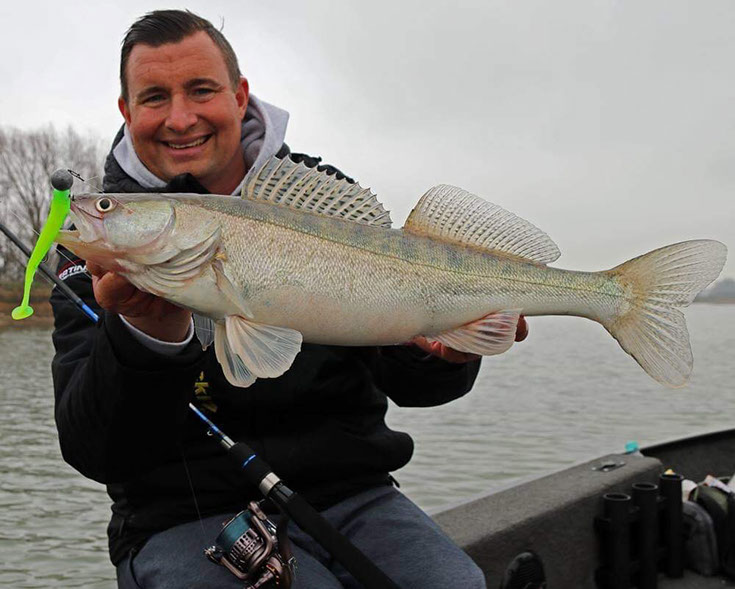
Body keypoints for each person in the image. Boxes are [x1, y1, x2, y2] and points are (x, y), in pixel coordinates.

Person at [50, 10, 528, 589]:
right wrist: (145, 339)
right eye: (155, 97)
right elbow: (95, 449)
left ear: (240, 96)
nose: (180, 118)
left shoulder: (316, 200)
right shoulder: (95, 254)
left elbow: (411, 381)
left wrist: (445, 355)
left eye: (201, 90)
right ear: (126, 112)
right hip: (181, 516)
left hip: (353, 493)